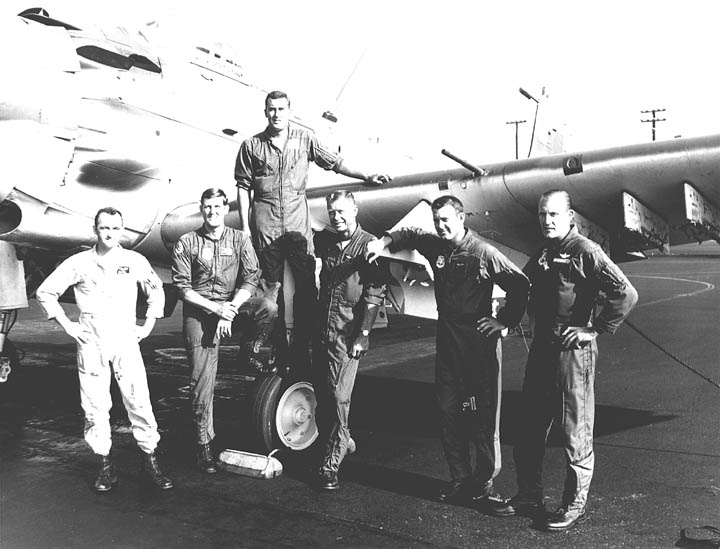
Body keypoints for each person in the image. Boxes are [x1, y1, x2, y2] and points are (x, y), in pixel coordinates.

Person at [366, 195, 529, 511]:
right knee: (449, 411)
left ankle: (483, 485)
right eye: (437, 220)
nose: (441, 226)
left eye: (446, 220)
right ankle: (459, 478)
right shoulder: (436, 246)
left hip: (478, 345)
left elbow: (519, 284)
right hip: (449, 342)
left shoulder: (483, 253)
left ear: (462, 218)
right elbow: (411, 233)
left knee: (482, 416)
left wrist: (505, 321)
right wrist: (384, 241)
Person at [493, 190, 638, 531]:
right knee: (530, 427)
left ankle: (574, 504)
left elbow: (626, 292)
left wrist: (595, 329)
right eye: (543, 214)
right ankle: (529, 494)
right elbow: (522, 286)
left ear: (570, 217)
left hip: (572, 354)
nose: (547, 220)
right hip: (542, 351)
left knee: (575, 431)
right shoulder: (545, 252)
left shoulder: (586, 251)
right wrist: (506, 319)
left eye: (554, 214)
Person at [234, 90, 390, 371]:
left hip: (297, 226)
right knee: (269, 292)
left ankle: (300, 352)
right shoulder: (251, 145)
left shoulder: (305, 139)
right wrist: (246, 228)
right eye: (272, 109)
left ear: (289, 111)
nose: (276, 114)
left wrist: (365, 175)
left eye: (281, 109)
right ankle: (272, 351)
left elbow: (335, 162)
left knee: (306, 291)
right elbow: (243, 187)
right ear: (265, 111)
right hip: (266, 226)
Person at [36, 207, 173, 492]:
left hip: (125, 339)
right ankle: (105, 465)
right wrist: (68, 326)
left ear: (122, 230)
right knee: (95, 405)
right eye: (104, 228)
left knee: (139, 400)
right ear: (95, 230)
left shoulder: (134, 260)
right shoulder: (79, 262)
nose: (110, 233)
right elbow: (45, 292)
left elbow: (156, 290)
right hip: (92, 342)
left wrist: (147, 325)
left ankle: (150, 460)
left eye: (115, 228)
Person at [172, 187, 278, 474]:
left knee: (267, 307)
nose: (212, 212)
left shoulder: (240, 239)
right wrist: (216, 309)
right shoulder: (187, 242)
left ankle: (249, 351)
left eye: (218, 207)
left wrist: (230, 308)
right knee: (201, 384)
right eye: (207, 207)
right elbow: (182, 287)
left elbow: (251, 278)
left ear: (225, 209)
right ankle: (203, 443)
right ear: (201, 209)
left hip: (230, 308)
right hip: (200, 313)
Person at [314, 190, 388, 490]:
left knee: (338, 397)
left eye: (342, 211)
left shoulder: (368, 245)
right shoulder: (327, 243)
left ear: (355, 210)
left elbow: (374, 293)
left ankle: (330, 464)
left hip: (347, 335)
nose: (337, 217)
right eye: (332, 212)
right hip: (323, 331)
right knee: (324, 396)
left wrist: (363, 335)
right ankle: (340, 440)